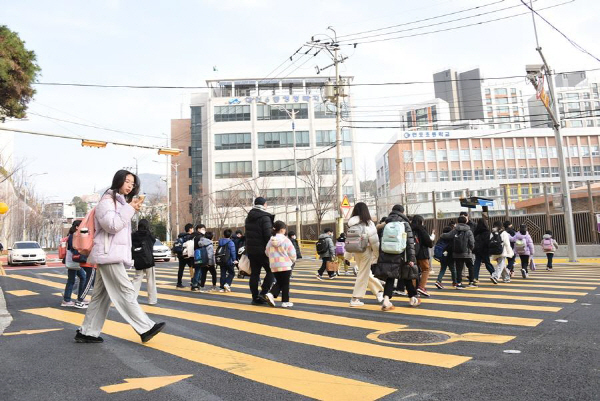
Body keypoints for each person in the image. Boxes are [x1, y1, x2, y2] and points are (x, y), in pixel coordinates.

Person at [76, 170, 165, 344]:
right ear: (118, 181)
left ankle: (87, 332)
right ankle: (145, 327)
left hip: (111, 254)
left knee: (100, 297)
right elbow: (112, 226)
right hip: (109, 255)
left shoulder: (120, 203)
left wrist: (130, 208)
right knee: (125, 291)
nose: (130, 185)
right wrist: (130, 208)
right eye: (127, 182)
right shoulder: (106, 202)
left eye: (132, 183)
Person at [376, 204, 419, 310]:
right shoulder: (405, 223)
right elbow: (410, 242)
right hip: (401, 254)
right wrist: (411, 258)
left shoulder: (386, 223)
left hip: (387, 253)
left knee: (390, 277)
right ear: (402, 212)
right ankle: (413, 297)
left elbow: (380, 241)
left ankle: (386, 300)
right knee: (406, 276)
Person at [345, 203, 384, 307]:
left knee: (365, 272)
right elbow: (374, 242)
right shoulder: (368, 223)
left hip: (356, 251)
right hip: (366, 251)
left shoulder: (351, 224)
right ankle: (355, 298)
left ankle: (379, 292)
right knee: (363, 274)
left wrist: (347, 257)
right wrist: (377, 255)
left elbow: (349, 241)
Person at [245, 197, 275, 305]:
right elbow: (268, 235)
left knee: (254, 274)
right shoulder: (265, 217)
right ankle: (264, 292)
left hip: (252, 251)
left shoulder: (248, 217)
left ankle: (254, 297)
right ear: (264, 204)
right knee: (272, 271)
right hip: (264, 251)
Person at [265, 221, 297, 308]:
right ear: (283, 230)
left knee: (280, 282)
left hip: (274, 265)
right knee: (285, 283)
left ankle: (273, 295)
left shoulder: (270, 241)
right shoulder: (286, 240)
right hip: (285, 264)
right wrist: (293, 260)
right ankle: (283, 300)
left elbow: (267, 252)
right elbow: (292, 253)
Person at [441, 215, 475, 289]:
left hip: (456, 253)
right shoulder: (469, 231)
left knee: (459, 268)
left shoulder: (455, 230)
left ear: (458, 222)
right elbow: (472, 242)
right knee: (470, 266)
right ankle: (471, 282)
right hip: (467, 253)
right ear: (466, 222)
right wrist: (470, 249)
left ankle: (459, 283)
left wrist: (442, 234)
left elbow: (447, 236)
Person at [62, 220, 88, 309]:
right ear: (77, 227)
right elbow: (74, 249)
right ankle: (67, 299)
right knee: (72, 280)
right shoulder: (73, 236)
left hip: (74, 262)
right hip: (73, 261)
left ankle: (79, 298)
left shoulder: (74, 235)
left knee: (81, 277)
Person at [131, 219, 157, 305]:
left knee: (137, 279)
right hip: (148, 260)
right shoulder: (148, 234)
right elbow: (153, 242)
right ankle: (152, 300)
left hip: (138, 260)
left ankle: (132, 299)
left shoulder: (133, 235)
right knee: (151, 280)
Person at [411, 215, 434, 297]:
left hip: (412, 253)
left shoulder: (409, 228)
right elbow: (428, 242)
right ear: (421, 221)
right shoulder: (422, 229)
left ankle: (413, 290)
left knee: (414, 272)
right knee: (426, 269)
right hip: (422, 253)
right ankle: (421, 287)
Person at [473, 219, 495, 283]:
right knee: (487, 263)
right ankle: (494, 275)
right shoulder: (487, 232)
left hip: (477, 250)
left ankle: (475, 277)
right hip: (485, 250)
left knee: (477, 263)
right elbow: (488, 242)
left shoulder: (476, 232)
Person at [175, 223, 194, 288]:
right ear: (190, 229)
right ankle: (193, 282)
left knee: (181, 269)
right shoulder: (190, 236)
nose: (193, 229)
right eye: (192, 228)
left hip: (181, 255)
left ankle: (179, 283)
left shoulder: (181, 236)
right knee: (191, 268)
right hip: (187, 255)